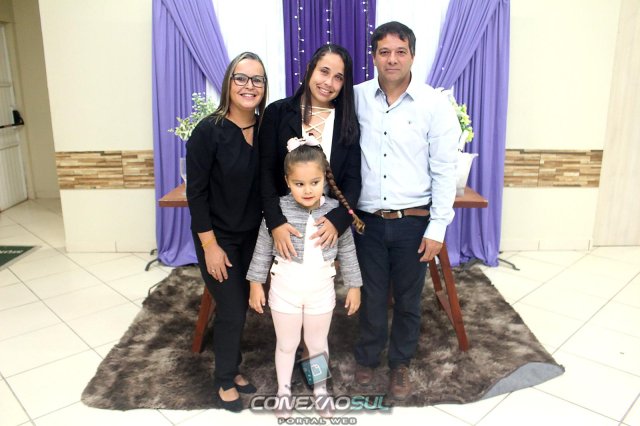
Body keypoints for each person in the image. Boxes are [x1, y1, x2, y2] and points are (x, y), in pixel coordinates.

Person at [352, 21, 460, 400]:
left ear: (412, 55)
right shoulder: (356, 98)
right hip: (366, 223)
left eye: (400, 51)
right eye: (384, 52)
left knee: (409, 299)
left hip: (414, 222)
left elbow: (444, 169)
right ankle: (367, 358)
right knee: (371, 296)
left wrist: (438, 227)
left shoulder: (434, 104)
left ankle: (400, 363)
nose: (392, 59)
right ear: (373, 56)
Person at [247, 142, 363, 419]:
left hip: (321, 293)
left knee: (317, 344)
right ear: (287, 181)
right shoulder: (277, 212)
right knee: (286, 345)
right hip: (284, 292)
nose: (308, 190)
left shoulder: (335, 213)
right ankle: (283, 391)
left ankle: (320, 391)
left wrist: (354, 286)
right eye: (299, 184)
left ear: (325, 178)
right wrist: (255, 284)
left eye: (314, 182)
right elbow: (262, 249)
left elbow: (348, 251)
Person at [185, 52, 268, 413]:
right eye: (241, 78)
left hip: (255, 237)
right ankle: (223, 380)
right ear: (228, 83)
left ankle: (232, 368)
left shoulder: (267, 130)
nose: (249, 86)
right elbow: (196, 194)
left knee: (244, 306)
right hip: (218, 237)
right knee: (232, 308)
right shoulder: (209, 131)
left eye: (257, 79)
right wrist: (210, 246)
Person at [259, 44, 361, 257]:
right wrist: (275, 222)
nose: (329, 82)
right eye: (324, 71)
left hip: (326, 228)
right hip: (284, 225)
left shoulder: (347, 121)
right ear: (309, 69)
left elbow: (353, 180)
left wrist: (338, 221)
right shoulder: (277, 113)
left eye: (338, 77)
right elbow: (265, 172)